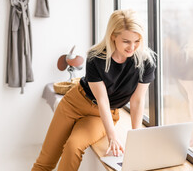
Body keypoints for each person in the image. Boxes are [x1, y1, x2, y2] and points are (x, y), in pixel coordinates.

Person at [31, 9, 156, 171]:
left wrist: (136, 136)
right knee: (45, 161)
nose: (132, 47)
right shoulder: (95, 57)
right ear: (113, 36)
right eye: (126, 41)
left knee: (73, 146)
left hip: (102, 115)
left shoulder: (146, 62)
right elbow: (102, 99)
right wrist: (112, 137)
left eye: (137, 41)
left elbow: (137, 101)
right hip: (74, 103)